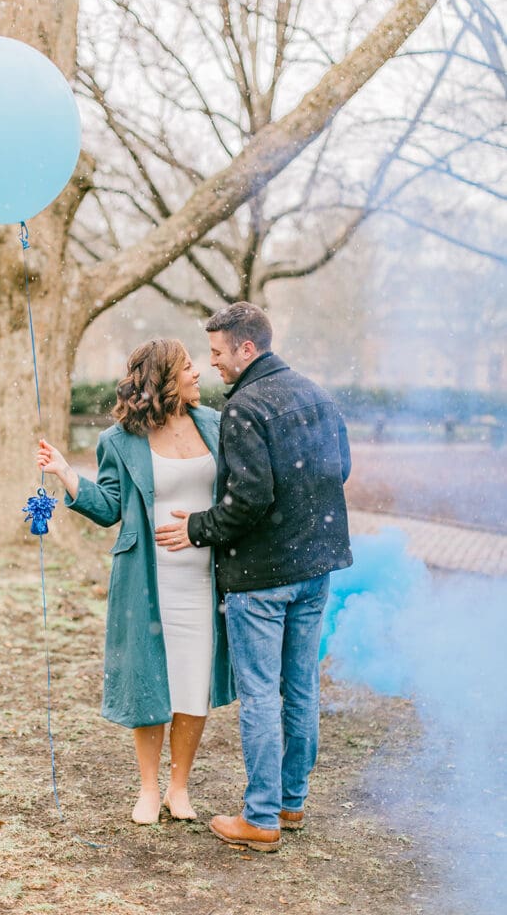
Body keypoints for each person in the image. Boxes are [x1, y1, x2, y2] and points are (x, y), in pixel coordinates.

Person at [155, 303, 352, 852]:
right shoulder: (315, 393)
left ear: (247, 349)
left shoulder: (244, 408)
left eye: (217, 353)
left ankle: (260, 817)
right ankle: (290, 803)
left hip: (262, 578)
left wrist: (196, 528)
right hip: (316, 570)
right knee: (300, 687)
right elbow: (341, 468)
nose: (211, 363)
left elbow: (249, 499)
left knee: (262, 694)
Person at [37, 338, 234, 826]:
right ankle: (148, 790)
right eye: (188, 367)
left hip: (204, 578)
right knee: (148, 682)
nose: (198, 374)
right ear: (165, 378)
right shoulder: (120, 440)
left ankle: (179, 788)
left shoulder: (214, 425)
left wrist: (206, 525)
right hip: (147, 577)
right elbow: (108, 508)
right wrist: (66, 474)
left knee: (194, 682)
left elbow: (235, 496)